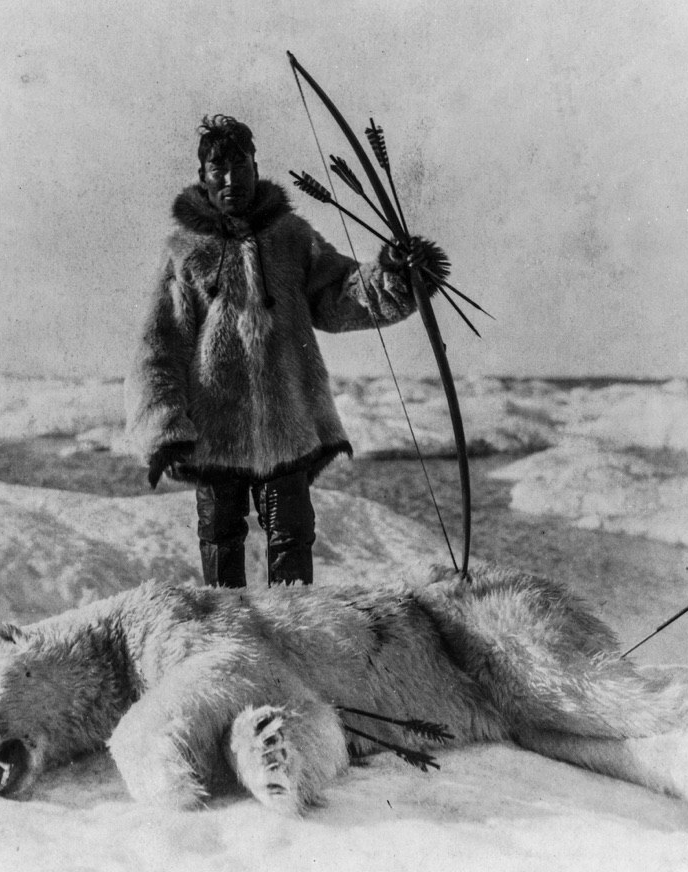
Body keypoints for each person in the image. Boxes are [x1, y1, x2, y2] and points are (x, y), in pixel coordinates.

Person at [125, 114, 448, 588]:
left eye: (240, 166)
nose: (231, 179)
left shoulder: (292, 236)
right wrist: (165, 430)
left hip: (288, 424)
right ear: (203, 176)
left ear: (256, 168)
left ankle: (296, 625)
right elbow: (159, 346)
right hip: (215, 431)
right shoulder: (183, 250)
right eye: (218, 169)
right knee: (219, 538)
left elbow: (340, 294)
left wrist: (397, 273)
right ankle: (226, 625)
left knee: (293, 537)